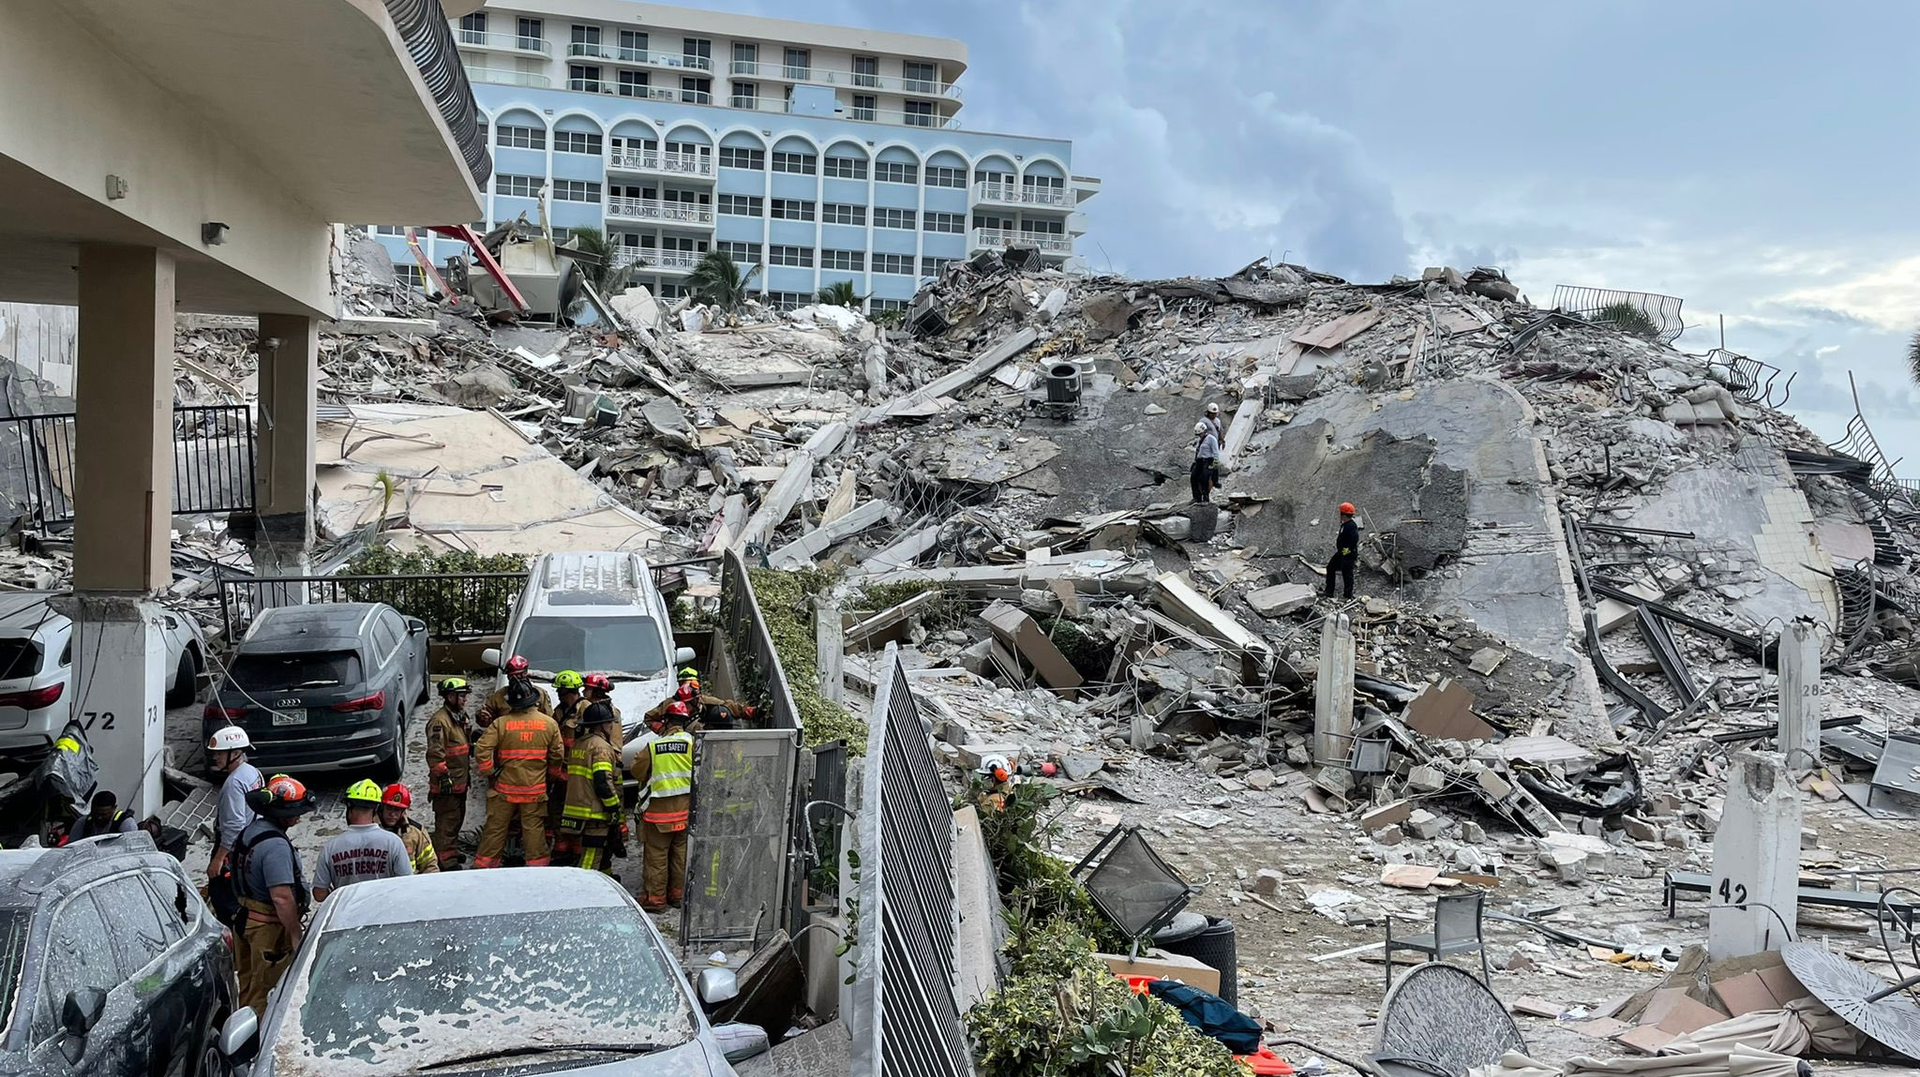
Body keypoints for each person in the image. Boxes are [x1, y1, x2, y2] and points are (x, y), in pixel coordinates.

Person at [233, 774, 316, 1015]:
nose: (299, 816)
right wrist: (294, 933)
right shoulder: (276, 846)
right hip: (267, 931)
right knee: (267, 993)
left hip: (246, 920)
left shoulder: (251, 832)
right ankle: (259, 1044)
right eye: (296, 810)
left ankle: (242, 1035)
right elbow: (281, 896)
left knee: (248, 987)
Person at [473, 679, 565, 869]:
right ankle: (537, 870)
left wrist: (489, 772)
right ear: (534, 700)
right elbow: (557, 755)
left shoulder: (501, 723)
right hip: (534, 790)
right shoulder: (549, 724)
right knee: (534, 832)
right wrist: (552, 776)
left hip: (504, 790)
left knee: (495, 830)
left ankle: (484, 869)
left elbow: (481, 748)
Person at [631, 700, 695, 911]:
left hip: (658, 815)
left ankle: (656, 899)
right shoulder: (694, 743)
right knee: (679, 854)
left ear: (666, 721)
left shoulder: (654, 746)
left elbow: (637, 771)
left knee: (657, 855)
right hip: (685, 812)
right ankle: (677, 894)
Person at [312, 780, 413, 901]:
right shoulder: (393, 842)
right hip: (384, 913)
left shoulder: (331, 847)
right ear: (376, 808)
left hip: (347, 915)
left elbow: (319, 894)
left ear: (350, 808)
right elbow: (407, 884)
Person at [560, 702, 624, 874]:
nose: (612, 726)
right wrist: (614, 809)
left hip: (578, 810)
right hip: (595, 813)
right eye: (610, 723)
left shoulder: (580, 744)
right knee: (591, 857)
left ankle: (608, 885)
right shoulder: (601, 747)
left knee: (604, 855)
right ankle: (584, 890)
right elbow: (602, 781)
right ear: (602, 725)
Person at [206, 725, 263, 887]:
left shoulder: (234, 784)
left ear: (236, 753)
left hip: (233, 848)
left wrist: (218, 859)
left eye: (220, 753)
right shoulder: (252, 771)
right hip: (250, 840)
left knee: (223, 894)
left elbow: (234, 825)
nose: (216, 757)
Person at [425, 677, 473, 869]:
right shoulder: (440, 722)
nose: (465, 700)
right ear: (450, 696)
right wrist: (443, 778)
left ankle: (451, 850)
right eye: (461, 696)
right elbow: (435, 753)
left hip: (460, 781)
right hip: (447, 784)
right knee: (446, 821)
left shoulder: (459, 715)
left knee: (457, 818)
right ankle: (445, 860)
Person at [547, 670, 587, 864]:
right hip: (561, 769)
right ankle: (562, 846)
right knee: (557, 809)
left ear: (568, 691)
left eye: (560, 691)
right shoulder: (559, 711)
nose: (558, 695)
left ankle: (578, 850)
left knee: (577, 811)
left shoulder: (585, 709)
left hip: (579, 771)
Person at [644, 667, 752, 731]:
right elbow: (649, 718)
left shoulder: (705, 701)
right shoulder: (668, 704)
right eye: (684, 683)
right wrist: (664, 730)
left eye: (691, 683)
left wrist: (751, 712)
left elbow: (729, 706)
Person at [378, 784, 439, 875]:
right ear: (382, 807)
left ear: (403, 811)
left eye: (397, 810)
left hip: (408, 885)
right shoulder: (369, 830)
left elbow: (430, 865)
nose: (393, 814)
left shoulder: (416, 833)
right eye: (389, 808)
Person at [479, 654, 553, 725]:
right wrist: (482, 718)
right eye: (513, 676)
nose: (517, 680)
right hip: (507, 735)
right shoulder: (499, 696)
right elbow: (485, 719)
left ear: (526, 673)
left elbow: (550, 720)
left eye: (521, 675)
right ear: (508, 676)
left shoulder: (541, 694)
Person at [65, 789, 135, 842]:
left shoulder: (126, 824)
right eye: (95, 813)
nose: (99, 817)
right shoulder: (82, 823)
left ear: (114, 808)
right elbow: (71, 846)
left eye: (103, 814)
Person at [1325, 501, 1360, 600]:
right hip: (1342, 552)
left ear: (1343, 514)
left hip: (1347, 554)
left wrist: (1345, 552)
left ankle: (1348, 595)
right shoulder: (1346, 524)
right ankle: (1329, 591)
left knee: (1347, 573)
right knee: (1330, 567)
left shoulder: (1351, 526)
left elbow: (1354, 541)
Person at [1191, 420, 1220, 504]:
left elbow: (1215, 451)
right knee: (1194, 477)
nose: (1200, 436)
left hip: (1208, 460)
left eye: (1200, 434)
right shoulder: (1199, 440)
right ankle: (1197, 497)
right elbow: (1198, 451)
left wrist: (1215, 462)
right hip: (1199, 461)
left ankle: (1205, 497)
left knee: (1204, 478)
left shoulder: (1211, 439)